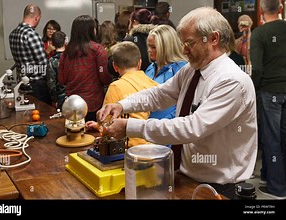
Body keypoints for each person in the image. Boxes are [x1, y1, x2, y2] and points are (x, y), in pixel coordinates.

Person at [96, 7, 257, 199]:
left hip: (220, 188)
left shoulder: (232, 81)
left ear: (213, 39)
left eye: (189, 43)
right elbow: (159, 94)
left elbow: (190, 128)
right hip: (187, 176)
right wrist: (122, 105)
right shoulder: (192, 70)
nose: (183, 50)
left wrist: (129, 126)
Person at [86, 41, 158, 147]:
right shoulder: (154, 84)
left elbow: (107, 127)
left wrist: (99, 126)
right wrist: (97, 125)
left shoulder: (115, 87)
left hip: (128, 149)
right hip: (152, 146)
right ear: (139, 63)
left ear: (115, 67)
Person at [250, 0, 286, 199]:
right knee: (283, 137)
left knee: (271, 139)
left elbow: (257, 69)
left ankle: (277, 188)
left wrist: (253, 89)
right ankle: (270, 177)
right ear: (280, 9)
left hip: (269, 90)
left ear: (261, 11)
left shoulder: (259, 34)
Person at [58, 15, 113, 122]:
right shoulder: (98, 50)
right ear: (91, 30)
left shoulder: (66, 52)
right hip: (93, 104)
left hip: (72, 105)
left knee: (74, 134)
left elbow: (61, 80)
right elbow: (105, 78)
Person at [9, 3, 51, 105]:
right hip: (36, 84)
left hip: (22, 82)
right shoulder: (32, 35)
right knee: (41, 114)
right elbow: (44, 63)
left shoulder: (12, 34)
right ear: (37, 18)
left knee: (27, 112)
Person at [145, 24, 187, 119]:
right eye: (148, 46)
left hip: (168, 128)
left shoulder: (182, 69)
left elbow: (184, 105)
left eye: (153, 47)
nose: (149, 50)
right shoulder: (151, 68)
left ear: (166, 47)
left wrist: (164, 123)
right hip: (147, 126)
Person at [46, 31, 67, 110]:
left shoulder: (52, 61)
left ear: (52, 43)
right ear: (65, 41)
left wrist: (54, 99)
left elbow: (51, 83)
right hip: (75, 94)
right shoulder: (72, 58)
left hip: (60, 97)